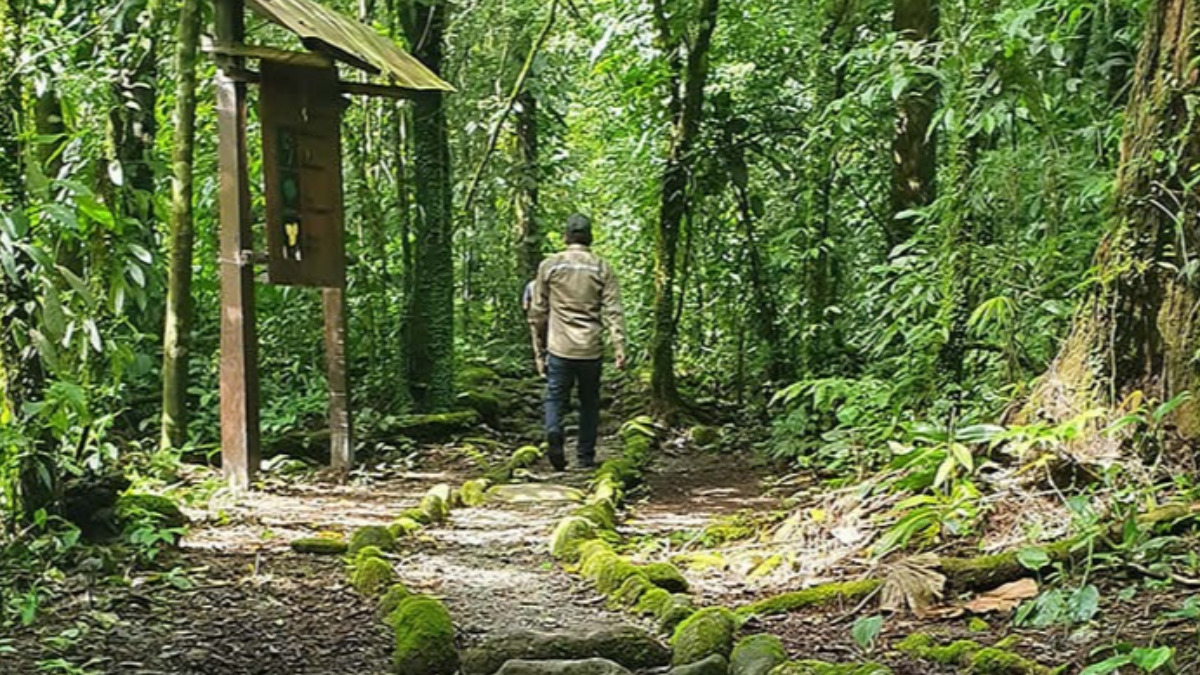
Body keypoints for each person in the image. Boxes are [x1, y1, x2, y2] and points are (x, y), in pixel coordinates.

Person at [528, 214, 627, 470]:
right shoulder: (601, 267)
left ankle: (554, 433)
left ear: (566, 237)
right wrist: (619, 346)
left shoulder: (550, 265)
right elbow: (613, 310)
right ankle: (585, 456)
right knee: (589, 403)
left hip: (559, 345)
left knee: (554, 397)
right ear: (590, 237)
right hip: (590, 348)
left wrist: (538, 351)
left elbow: (538, 311)